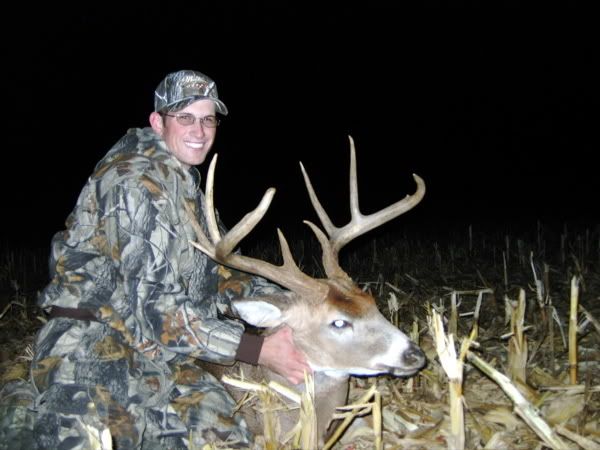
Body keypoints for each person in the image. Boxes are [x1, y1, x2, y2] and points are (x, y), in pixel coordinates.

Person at [11, 69, 311, 449]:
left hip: (162, 352)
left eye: (208, 120)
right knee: (99, 439)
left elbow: (221, 275)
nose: (199, 131)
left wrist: (294, 303)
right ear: (157, 122)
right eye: (185, 117)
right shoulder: (133, 181)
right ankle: (17, 403)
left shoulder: (188, 189)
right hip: (93, 342)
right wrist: (260, 351)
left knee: (225, 438)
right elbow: (159, 312)